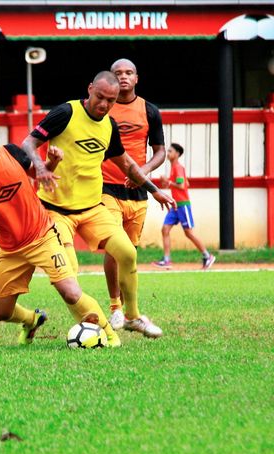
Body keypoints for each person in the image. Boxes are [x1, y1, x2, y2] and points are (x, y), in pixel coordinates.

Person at [21, 71, 175, 339]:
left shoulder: (109, 126)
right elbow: (29, 142)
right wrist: (40, 167)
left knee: (127, 253)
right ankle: (93, 325)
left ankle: (132, 316)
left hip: (92, 209)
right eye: (100, 97)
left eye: (111, 100)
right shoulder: (66, 113)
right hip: (56, 211)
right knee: (68, 273)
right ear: (90, 88)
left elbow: (126, 164)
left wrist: (154, 190)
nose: (104, 104)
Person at [0, 114, 120, 346]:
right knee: (2, 312)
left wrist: (51, 163)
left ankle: (110, 336)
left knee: (71, 293)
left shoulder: (12, 153)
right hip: (11, 249)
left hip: (42, 235)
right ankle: (32, 320)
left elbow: (37, 174)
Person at [101, 58, 166, 330]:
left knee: (129, 251)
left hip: (137, 190)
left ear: (137, 78)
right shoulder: (101, 108)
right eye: (118, 73)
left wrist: (143, 170)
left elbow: (160, 151)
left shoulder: (150, 111)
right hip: (105, 185)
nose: (124, 77)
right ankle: (116, 308)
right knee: (115, 246)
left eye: (129, 73)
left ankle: (131, 313)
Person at [153, 143, 216, 270]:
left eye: (170, 151)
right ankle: (166, 260)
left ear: (177, 154)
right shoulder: (174, 168)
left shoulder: (178, 167)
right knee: (165, 229)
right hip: (175, 205)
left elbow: (181, 186)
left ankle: (207, 256)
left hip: (183, 205)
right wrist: (167, 183)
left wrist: (169, 182)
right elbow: (184, 183)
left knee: (188, 233)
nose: (168, 153)